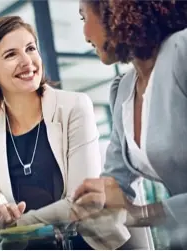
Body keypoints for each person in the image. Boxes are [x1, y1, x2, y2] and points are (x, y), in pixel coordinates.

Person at [0, 15, 130, 250]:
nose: (27, 61)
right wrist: (0, 217)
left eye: (30, 48)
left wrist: (20, 224)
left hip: (89, 242)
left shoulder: (75, 106)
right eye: (11, 54)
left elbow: (82, 203)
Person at [74, 0, 187, 249]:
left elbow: (129, 210)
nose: (84, 35)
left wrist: (139, 213)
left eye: (84, 18)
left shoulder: (183, 50)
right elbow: (115, 185)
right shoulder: (124, 90)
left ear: (111, 10)